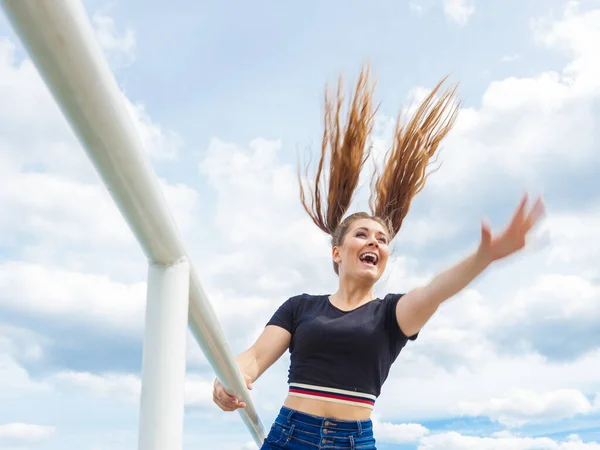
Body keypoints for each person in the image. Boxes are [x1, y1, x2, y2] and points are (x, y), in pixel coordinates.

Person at [212, 65, 545, 449]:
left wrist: (484, 257)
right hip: (290, 435)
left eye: (383, 239)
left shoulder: (390, 316)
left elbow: (434, 291)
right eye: (362, 234)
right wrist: (228, 379)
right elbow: (253, 357)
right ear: (337, 252)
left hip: (354, 442)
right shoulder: (300, 308)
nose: (375, 242)